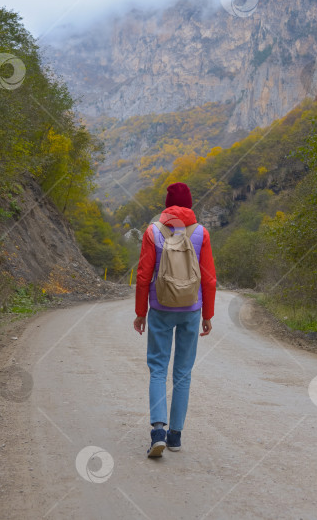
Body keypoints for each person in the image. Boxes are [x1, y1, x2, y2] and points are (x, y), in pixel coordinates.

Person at [133, 181, 217, 458]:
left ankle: (158, 429)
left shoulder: (153, 231)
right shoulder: (200, 232)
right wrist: (207, 315)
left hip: (160, 308)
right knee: (183, 373)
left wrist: (141, 313)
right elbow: (209, 279)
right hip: (191, 310)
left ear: (167, 204)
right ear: (190, 204)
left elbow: (144, 276)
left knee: (158, 368)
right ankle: (175, 436)